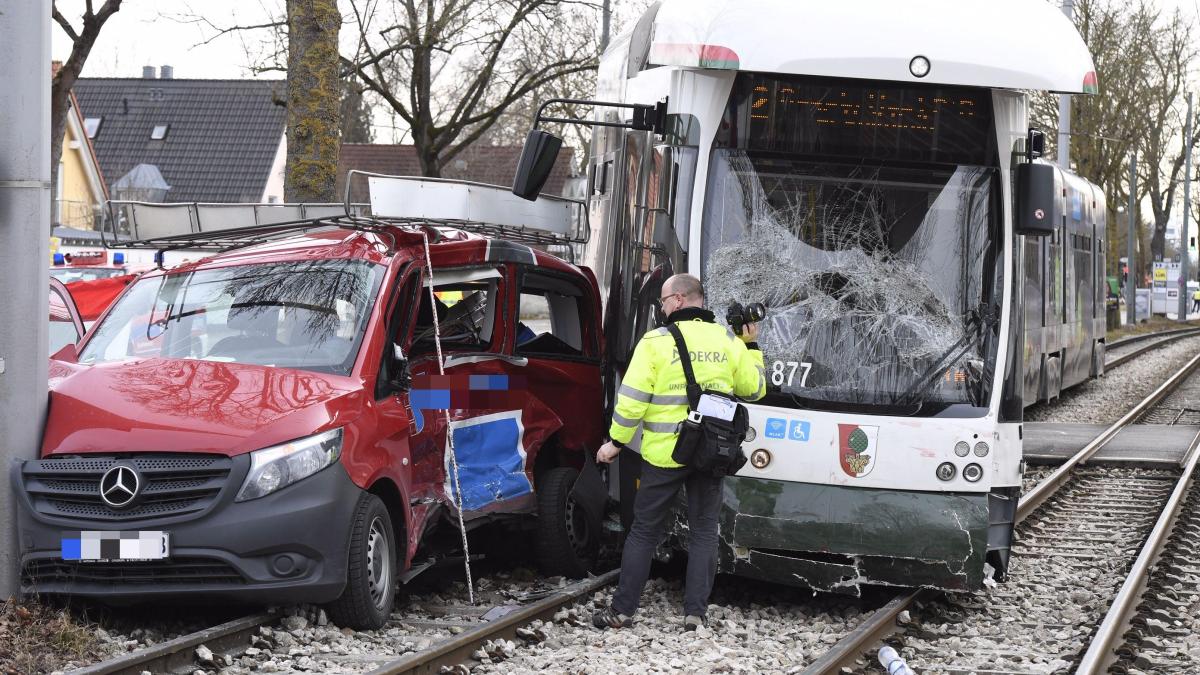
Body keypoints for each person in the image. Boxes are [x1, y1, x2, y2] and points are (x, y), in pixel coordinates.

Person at [591, 273, 766, 633]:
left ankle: (623, 612)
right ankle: (695, 616)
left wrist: (615, 443)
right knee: (704, 531)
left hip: (665, 456)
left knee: (643, 532)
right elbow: (756, 388)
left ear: (679, 300)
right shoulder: (728, 339)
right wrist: (751, 346)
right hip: (711, 454)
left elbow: (632, 401)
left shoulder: (655, 342)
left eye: (663, 301)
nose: (662, 307)